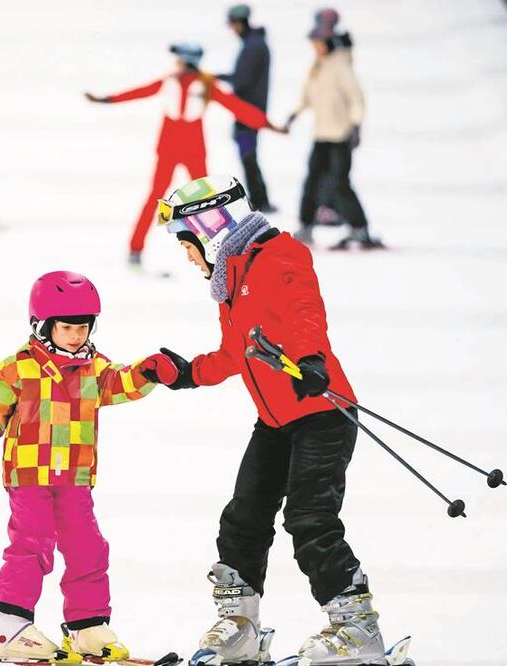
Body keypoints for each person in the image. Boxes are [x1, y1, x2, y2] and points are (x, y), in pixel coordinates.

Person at [154, 175, 398, 665]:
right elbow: (234, 354)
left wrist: (311, 360)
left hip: (322, 413)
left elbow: (306, 310)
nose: (187, 258)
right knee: (243, 517)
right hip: (275, 420)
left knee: (310, 519)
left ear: (209, 229)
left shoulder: (280, 256)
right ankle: (241, 626)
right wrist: (187, 374)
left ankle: (357, 630)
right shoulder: (232, 281)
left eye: (187, 245)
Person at [0, 271, 181, 662]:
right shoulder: (15, 369)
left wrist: (148, 370)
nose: (76, 335)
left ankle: (86, 626)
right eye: (67, 327)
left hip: (75, 477)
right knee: (32, 543)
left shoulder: (94, 369)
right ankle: (7, 626)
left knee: (88, 547)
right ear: (43, 325)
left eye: (83, 327)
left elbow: (122, 382)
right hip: (29, 476)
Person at [85, 43, 283, 268]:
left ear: (186, 61)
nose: (176, 63)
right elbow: (138, 92)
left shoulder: (205, 85)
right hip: (170, 149)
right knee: (165, 199)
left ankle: (222, 250)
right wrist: (107, 99)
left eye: (178, 59)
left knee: (206, 203)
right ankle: (136, 247)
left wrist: (266, 123)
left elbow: (237, 107)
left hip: (192, 150)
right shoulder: (172, 81)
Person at [285, 9, 382, 249]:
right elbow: (309, 94)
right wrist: (295, 113)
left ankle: (359, 229)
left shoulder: (340, 66)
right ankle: (306, 225)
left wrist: (356, 125)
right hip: (321, 134)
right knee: (312, 180)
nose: (315, 48)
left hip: (340, 135)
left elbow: (357, 99)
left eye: (318, 43)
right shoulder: (319, 65)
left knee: (339, 182)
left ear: (327, 42)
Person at [219, 4, 275, 213]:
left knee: (248, 156)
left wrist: (216, 79)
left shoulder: (253, 46)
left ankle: (260, 201)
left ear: (240, 23)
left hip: (247, 115)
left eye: (233, 25)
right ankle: (261, 198)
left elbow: (242, 81)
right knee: (249, 156)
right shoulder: (255, 44)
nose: (232, 29)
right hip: (249, 113)